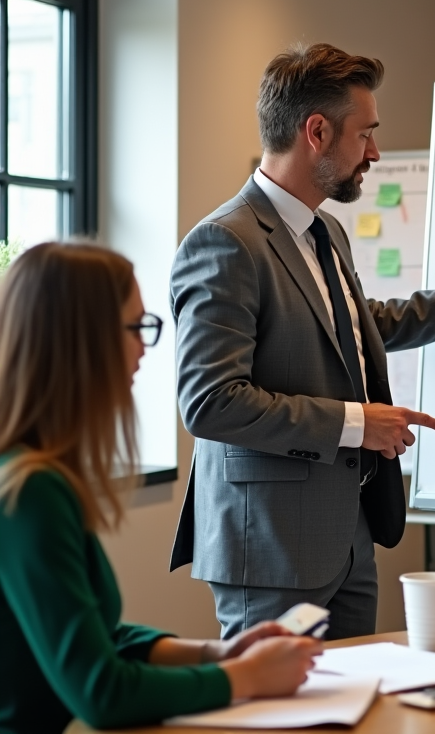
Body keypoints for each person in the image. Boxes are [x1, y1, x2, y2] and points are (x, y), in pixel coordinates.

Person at [169, 42, 435, 640]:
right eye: (364, 134)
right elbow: (211, 402)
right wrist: (355, 424)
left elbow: (351, 327)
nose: (375, 152)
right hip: (271, 547)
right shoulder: (225, 243)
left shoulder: (325, 231)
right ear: (316, 131)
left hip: (348, 539)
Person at [0, 243, 323, 734]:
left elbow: (96, 636)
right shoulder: (30, 492)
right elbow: (102, 693)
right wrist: (245, 677)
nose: (143, 348)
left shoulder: (32, 472)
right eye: (137, 328)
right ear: (81, 341)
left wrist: (218, 652)